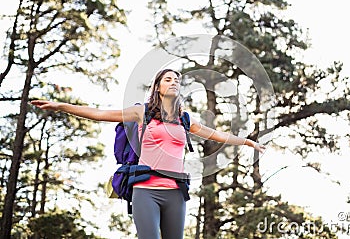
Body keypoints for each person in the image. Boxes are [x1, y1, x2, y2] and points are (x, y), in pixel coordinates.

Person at [31, 68, 266, 239]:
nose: (174, 82)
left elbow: (216, 134)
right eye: (168, 79)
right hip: (145, 190)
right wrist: (60, 106)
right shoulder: (141, 113)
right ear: (158, 87)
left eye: (177, 80)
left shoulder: (185, 120)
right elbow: (99, 113)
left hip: (176, 192)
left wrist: (247, 142)